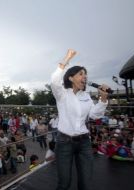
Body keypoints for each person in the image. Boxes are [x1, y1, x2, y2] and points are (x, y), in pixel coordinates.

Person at [51, 49, 109, 190]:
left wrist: (103, 98)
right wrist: (67, 58)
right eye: (81, 74)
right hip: (64, 142)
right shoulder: (62, 94)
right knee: (64, 182)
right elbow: (54, 80)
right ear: (71, 78)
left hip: (84, 142)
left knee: (86, 183)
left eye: (86, 74)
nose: (85, 77)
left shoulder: (86, 96)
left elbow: (95, 115)